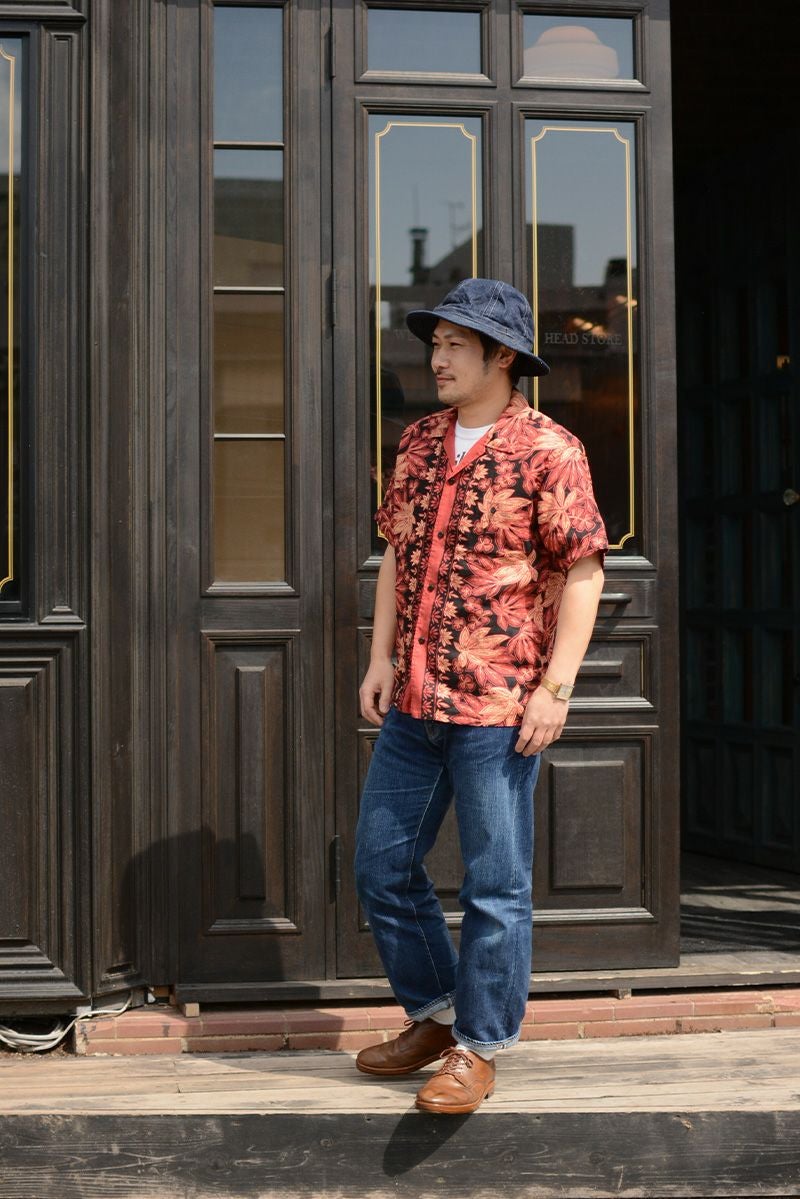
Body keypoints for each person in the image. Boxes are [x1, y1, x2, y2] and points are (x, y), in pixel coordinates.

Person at [354, 278, 608, 1115]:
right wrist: (380, 657)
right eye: (436, 343)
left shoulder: (550, 449)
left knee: (496, 886)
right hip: (414, 699)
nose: (438, 358)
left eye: (456, 344)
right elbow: (396, 553)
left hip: (499, 705)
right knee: (381, 866)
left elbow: (583, 571)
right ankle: (436, 1015)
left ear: (503, 357)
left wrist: (556, 689)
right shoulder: (418, 442)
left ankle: (481, 1044)